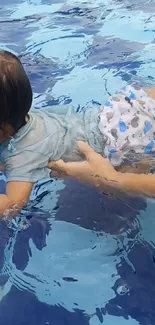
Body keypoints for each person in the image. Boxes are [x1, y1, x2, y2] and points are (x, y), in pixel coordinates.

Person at [0, 49, 155, 216]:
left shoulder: (22, 157)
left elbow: (12, 207)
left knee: (119, 185)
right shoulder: (35, 116)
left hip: (115, 141)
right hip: (118, 111)